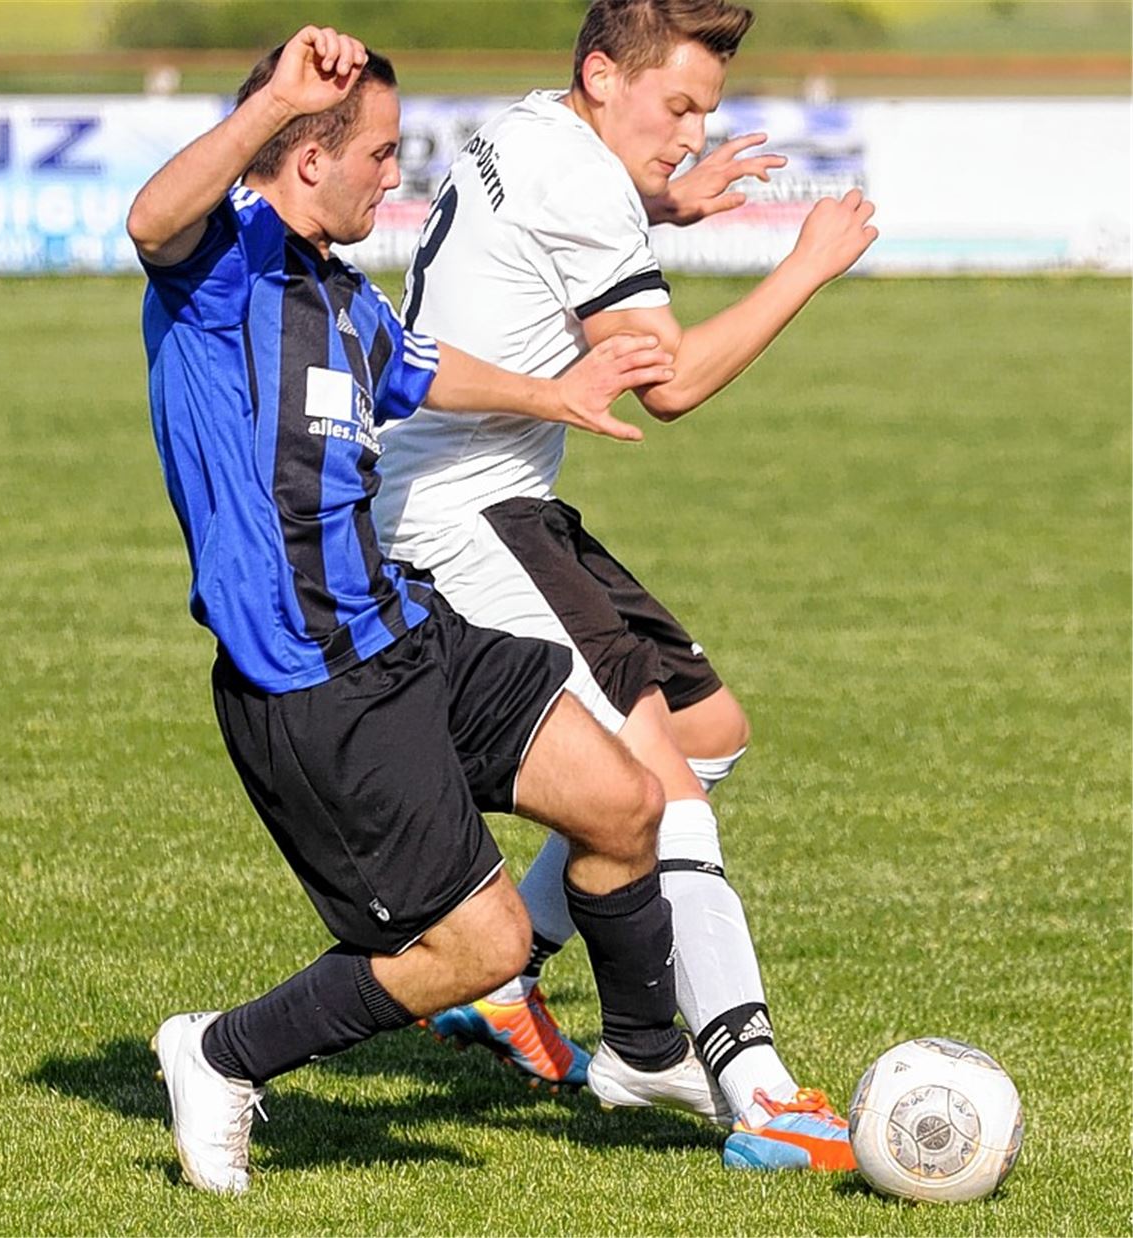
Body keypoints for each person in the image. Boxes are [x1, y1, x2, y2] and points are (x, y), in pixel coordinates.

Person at [128, 24, 735, 1195]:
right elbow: (150, 220)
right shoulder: (217, 273)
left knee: (623, 798)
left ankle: (645, 1054)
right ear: (309, 158)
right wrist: (268, 110)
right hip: (313, 683)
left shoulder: (344, 300)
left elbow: (422, 366)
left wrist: (555, 390)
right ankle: (219, 1052)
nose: (395, 172)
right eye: (381, 152)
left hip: (407, 634)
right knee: (481, 943)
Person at [373, 0, 877, 1172]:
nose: (694, 135)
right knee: (663, 790)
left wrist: (662, 202)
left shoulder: (535, 129)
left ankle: (514, 971)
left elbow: (557, 234)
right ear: (603, 74)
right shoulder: (582, 181)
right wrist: (804, 265)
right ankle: (752, 1087)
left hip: (507, 499)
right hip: (462, 518)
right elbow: (674, 383)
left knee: (709, 733)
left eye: (707, 111)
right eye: (679, 108)